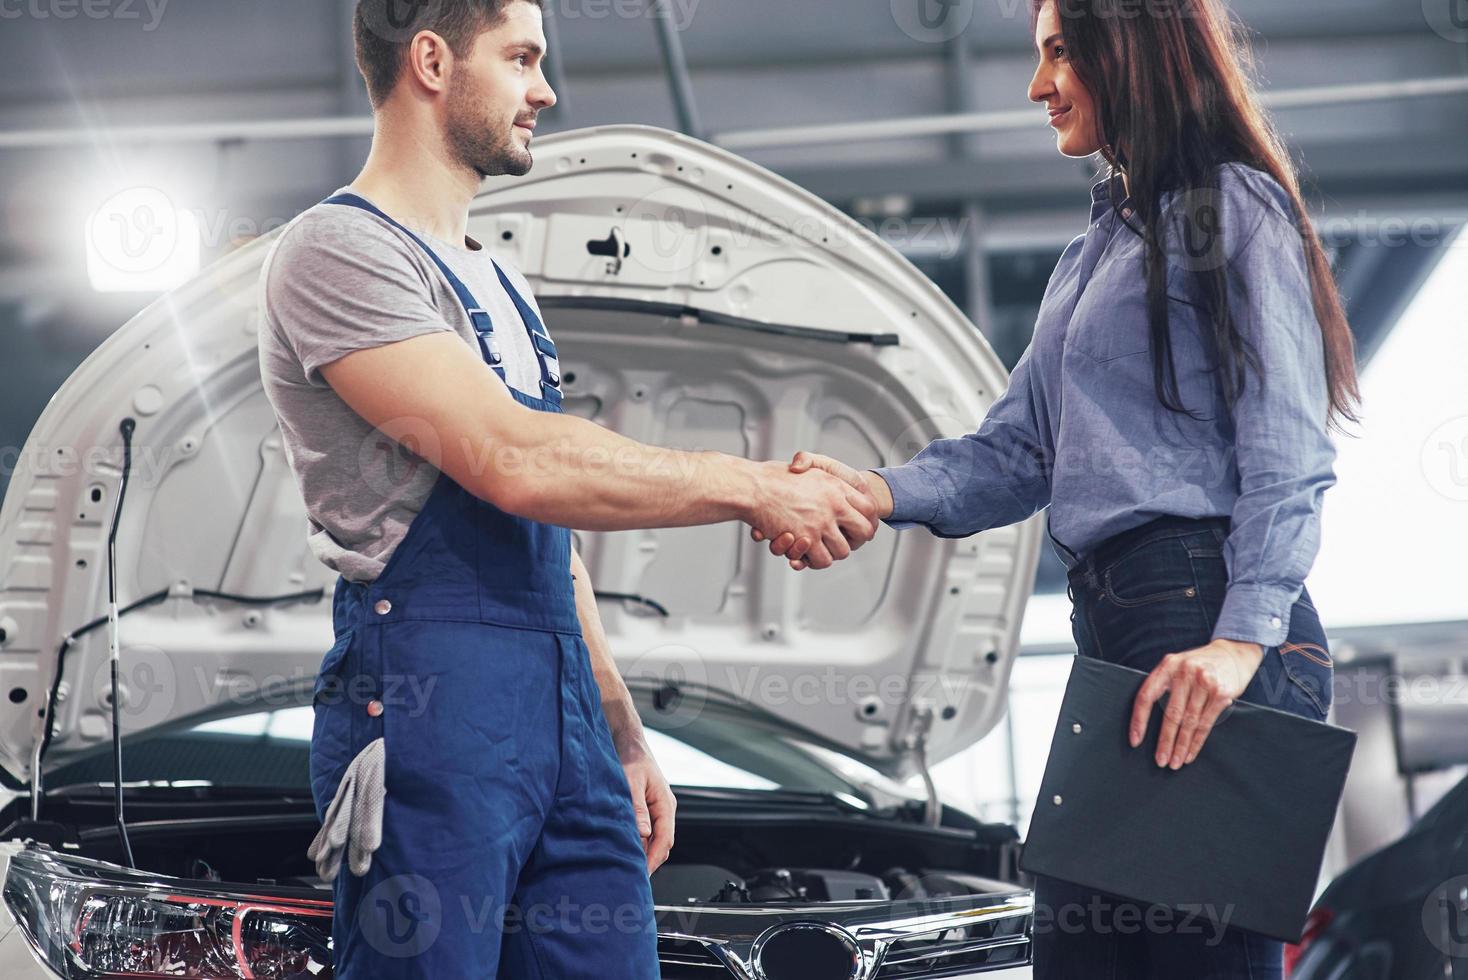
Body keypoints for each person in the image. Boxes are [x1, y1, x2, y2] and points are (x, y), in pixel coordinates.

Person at [257, 2, 877, 977]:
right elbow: (516, 458)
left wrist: (619, 728)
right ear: (431, 60)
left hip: (566, 724)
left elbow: (553, 540)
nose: (545, 89)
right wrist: (753, 485)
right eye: (521, 58)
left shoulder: (501, 284)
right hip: (431, 706)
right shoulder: (338, 252)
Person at [757, 0, 1359, 976]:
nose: (1036, 86)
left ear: (1128, 47)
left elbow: (1289, 448)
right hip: (1117, 643)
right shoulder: (1092, 256)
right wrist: (868, 488)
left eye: (1055, 55)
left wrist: (1240, 640)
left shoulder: (1230, 205)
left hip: (1211, 629)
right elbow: (1015, 453)